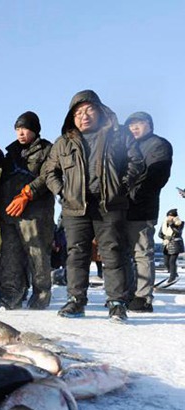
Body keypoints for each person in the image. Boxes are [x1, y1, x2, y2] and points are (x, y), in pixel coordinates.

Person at [43, 90, 144, 321]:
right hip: (75, 207)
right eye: (78, 112)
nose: (84, 116)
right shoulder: (63, 142)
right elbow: (49, 172)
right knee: (76, 254)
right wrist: (62, 191)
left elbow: (137, 163)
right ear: (72, 117)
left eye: (89, 110)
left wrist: (121, 186)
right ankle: (76, 301)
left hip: (109, 205)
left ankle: (117, 302)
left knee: (112, 253)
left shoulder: (118, 136)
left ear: (100, 111)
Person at [0, 111, 54, 310]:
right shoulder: (10, 154)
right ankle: (11, 296)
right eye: (18, 129)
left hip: (35, 213)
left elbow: (48, 176)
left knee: (37, 255)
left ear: (35, 130)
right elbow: (2, 182)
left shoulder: (48, 150)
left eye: (25, 129)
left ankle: (41, 295)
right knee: (10, 256)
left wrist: (28, 194)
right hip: (10, 214)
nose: (21, 133)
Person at [122, 112, 173, 312]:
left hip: (142, 207)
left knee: (142, 252)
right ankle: (127, 292)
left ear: (149, 125)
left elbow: (156, 176)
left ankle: (143, 297)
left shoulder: (158, 145)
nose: (134, 128)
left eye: (139, 124)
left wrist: (132, 194)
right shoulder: (126, 147)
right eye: (131, 125)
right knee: (123, 253)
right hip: (121, 208)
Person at [158, 209, 183, 286]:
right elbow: (160, 234)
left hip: (176, 244)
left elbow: (178, 232)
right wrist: (165, 237)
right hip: (166, 244)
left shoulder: (180, 223)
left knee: (172, 261)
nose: (169, 217)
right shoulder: (164, 224)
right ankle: (174, 273)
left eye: (171, 216)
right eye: (168, 216)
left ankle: (172, 277)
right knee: (166, 262)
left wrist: (172, 225)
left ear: (175, 217)